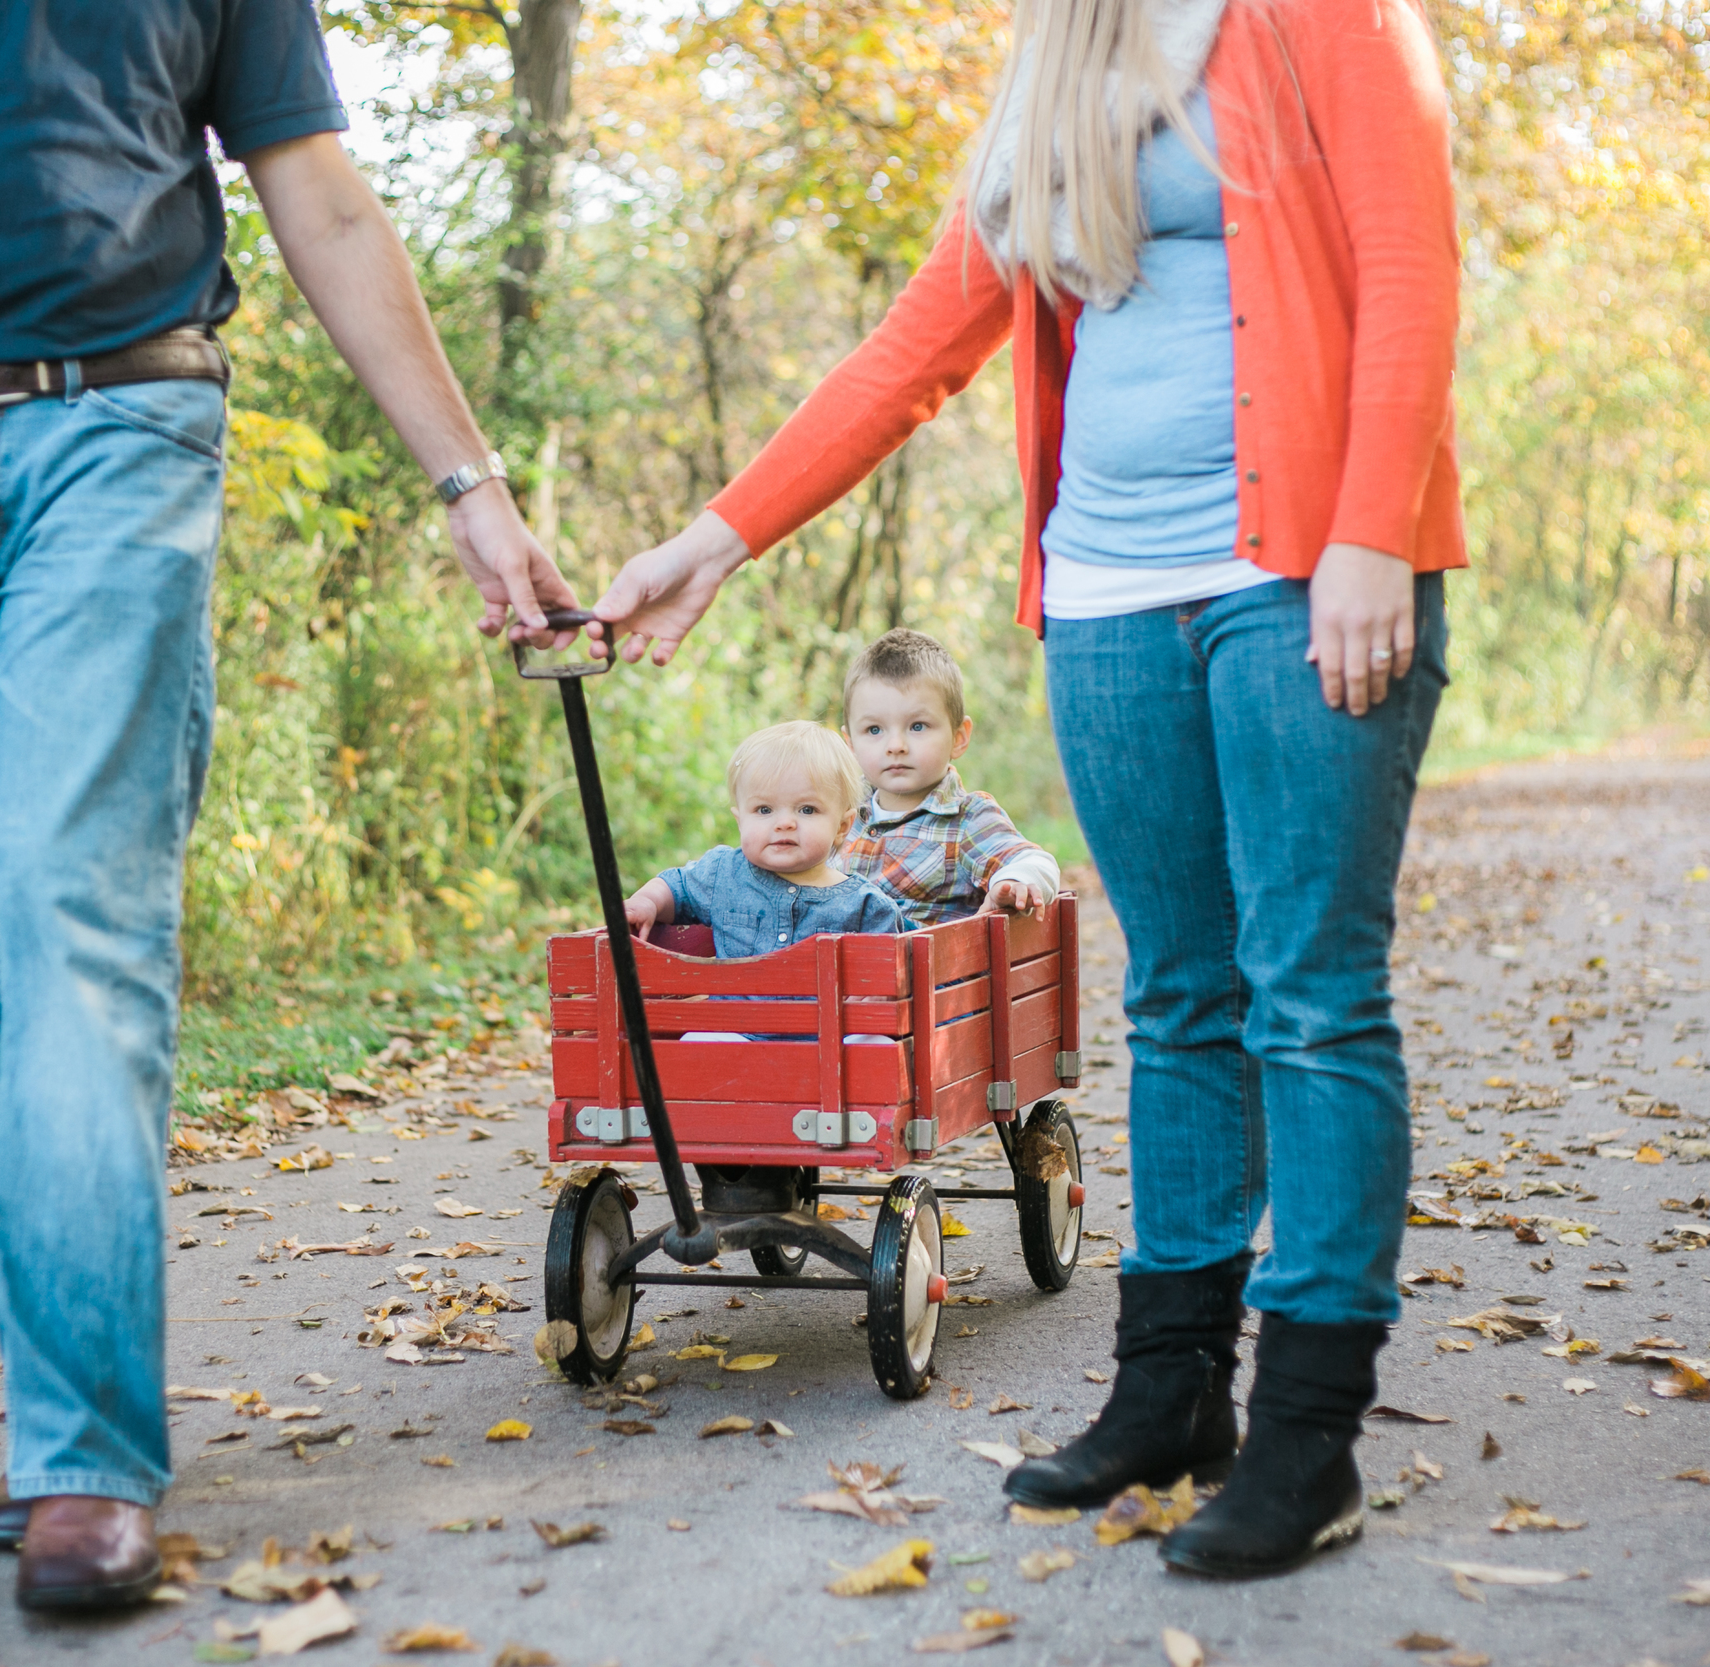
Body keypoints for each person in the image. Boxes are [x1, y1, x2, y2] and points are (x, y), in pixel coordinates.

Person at [0, 3, 574, 1614]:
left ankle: (79, 1460)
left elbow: (321, 193)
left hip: (125, 424)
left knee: (70, 915)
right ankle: (68, 1402)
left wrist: (471, 489)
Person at [591, 0, 1463, 1581]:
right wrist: (715, 539)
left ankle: (1309, 1436)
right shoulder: (1059, 50)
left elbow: (1411, 262)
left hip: (1302, 575)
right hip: (1107, 593)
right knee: (1186, 990)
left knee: (1314, 996)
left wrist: (1373, 527)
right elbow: (920, 341)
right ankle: (1172, 1389)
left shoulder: (1321, 16)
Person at [624, 721, 909, 956]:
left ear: (841, 826)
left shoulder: (864, 906)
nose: (784, 823)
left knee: (867, 1029)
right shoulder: (723, 874)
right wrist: (648, 901)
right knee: (701, 1031)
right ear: (740, 821)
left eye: (807, 809)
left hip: (828, 1025)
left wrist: (879, 988)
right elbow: (678, 887)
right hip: (734, 1023)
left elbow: (889, 968)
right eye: (764, 809)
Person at [839, 628, 1061, 925]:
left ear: (958, 737)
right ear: (850, 743)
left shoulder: (967, 820)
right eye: (874, 730)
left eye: (917, 726)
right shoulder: (839, 818)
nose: (895, 746)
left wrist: (1012, 881)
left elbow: (1033, 861)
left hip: (924, 966)